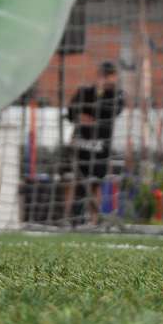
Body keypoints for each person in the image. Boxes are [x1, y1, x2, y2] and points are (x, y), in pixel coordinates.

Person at [63, 61, 126, 226]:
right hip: (80, 145)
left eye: (111, 77)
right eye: (105, 76)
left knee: (95, 184)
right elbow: (71, 112)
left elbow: (112, 112)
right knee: (75, 182)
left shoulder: (116, 95)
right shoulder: (84, 91)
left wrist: (92, 116)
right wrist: (80, 116)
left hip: (100, 148)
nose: (108, 80)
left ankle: (94, 219)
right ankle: (71, 218)